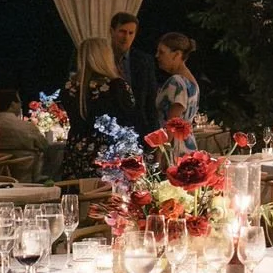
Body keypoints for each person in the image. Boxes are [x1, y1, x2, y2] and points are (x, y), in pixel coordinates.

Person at [56, 38, 140, 180]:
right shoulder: (116, 86)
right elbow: (130, 117)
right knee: (107, 196)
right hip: (108, 152)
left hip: (76, 149)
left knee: (77, 193)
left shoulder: (69, 88)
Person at [109, 12, 158, 134]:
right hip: (110, 127)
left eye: (131, 33)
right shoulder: (102, 58)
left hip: (139, 127)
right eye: (122, 31)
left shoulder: (144, 60)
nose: (126, 37)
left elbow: (150, 101)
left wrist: (155, 135)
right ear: (112, 31)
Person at [155, 33, 201, 155]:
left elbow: (171, 125)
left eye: (162, 52)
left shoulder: (176, 82)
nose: (157, 56)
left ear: (177, 55)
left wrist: (160, 154)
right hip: (188, 145)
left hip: (174, 149)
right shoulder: (192, 82)